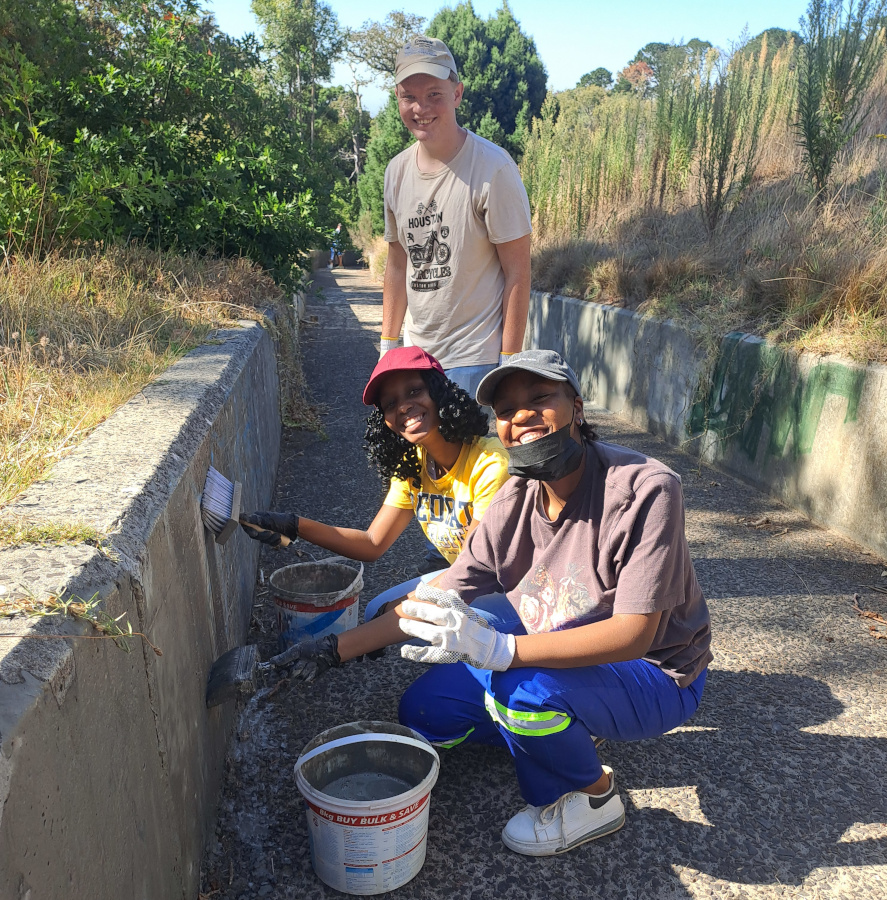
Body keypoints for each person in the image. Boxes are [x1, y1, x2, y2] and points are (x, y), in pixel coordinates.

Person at [267, 349, 712, 858]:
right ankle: (563, 722)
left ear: (577, 406)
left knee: (519, 688)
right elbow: (438, 596)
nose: (521, 415)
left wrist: (504, 652)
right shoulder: (514, 498)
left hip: (655, 672)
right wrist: (329, 652)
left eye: (540, 397)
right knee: (423, 713)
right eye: (506, 409)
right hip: (561, 643)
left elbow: (637, 634)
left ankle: (592, 797)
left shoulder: (643, 489)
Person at [241, 345, 512, 624]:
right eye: (390, 404)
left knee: (410, 621)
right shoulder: (413, 463)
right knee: (376, 611)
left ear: (440, 391)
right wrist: (294, 525)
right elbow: (372, 543)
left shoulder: (490, 465)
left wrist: (401, 609)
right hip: (466, 578)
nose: (403, 406)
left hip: (511, 588)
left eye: (414, 391)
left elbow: (471, 569)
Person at [380, 35, 533, 401]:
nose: (421, 107)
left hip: (474, 363)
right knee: (416, 462)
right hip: (414, 361)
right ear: (397, 100)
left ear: (457, 93)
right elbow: (398, 265)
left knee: (469, 461)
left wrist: (508, 363)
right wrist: (388, 347)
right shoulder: (396, 172)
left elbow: (518, 271)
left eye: (434, 94)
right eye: (409, 96)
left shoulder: (493, 168)